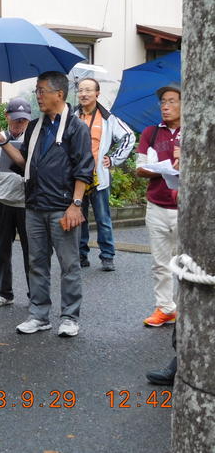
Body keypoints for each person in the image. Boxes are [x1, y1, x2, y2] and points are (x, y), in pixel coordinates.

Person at [0, 71, 94, 338]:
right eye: (36, 90)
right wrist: (3, 143)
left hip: (63, 206)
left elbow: (84, 169)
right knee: (37, 262)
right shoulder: (35, 126)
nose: (38, 96)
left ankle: (70, 316)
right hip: (34, 205)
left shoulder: (75, 127)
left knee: (69, 264)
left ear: (59, 94)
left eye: (41, 91)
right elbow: (25, 162)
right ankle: (39, 315)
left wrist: (76, 205)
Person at [74, 78, 136, 271]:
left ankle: (107, 256)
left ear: (97, 94)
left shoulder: (107, 118)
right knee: (79, 217)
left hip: (98, 175)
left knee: (103, 218)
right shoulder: (72, 116)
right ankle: (81, 254)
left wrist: (114, 158)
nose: (84, 94)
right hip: (77, 176)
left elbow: (129, 136)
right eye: (81, 90)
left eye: (88, 90)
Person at [136, 83, 181, 327]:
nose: (166, 106)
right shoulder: (151, 133)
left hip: (187, 209)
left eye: (172, 101)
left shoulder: (196, 131)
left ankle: (189, 308)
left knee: (188, 263)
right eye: (163, 101)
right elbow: (140, 168)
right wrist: (164, 168)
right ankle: (165, 308)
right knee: (160, 263)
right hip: (157, 205)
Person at [0, 98, 31, 308]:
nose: (19, 124)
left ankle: (35, 293)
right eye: (15, 120)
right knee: (1, 247)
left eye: (23, 120)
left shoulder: (34, 138)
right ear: (7, 117)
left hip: (27, 203)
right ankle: (3, 292)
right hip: (2, 199)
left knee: (31, 251)